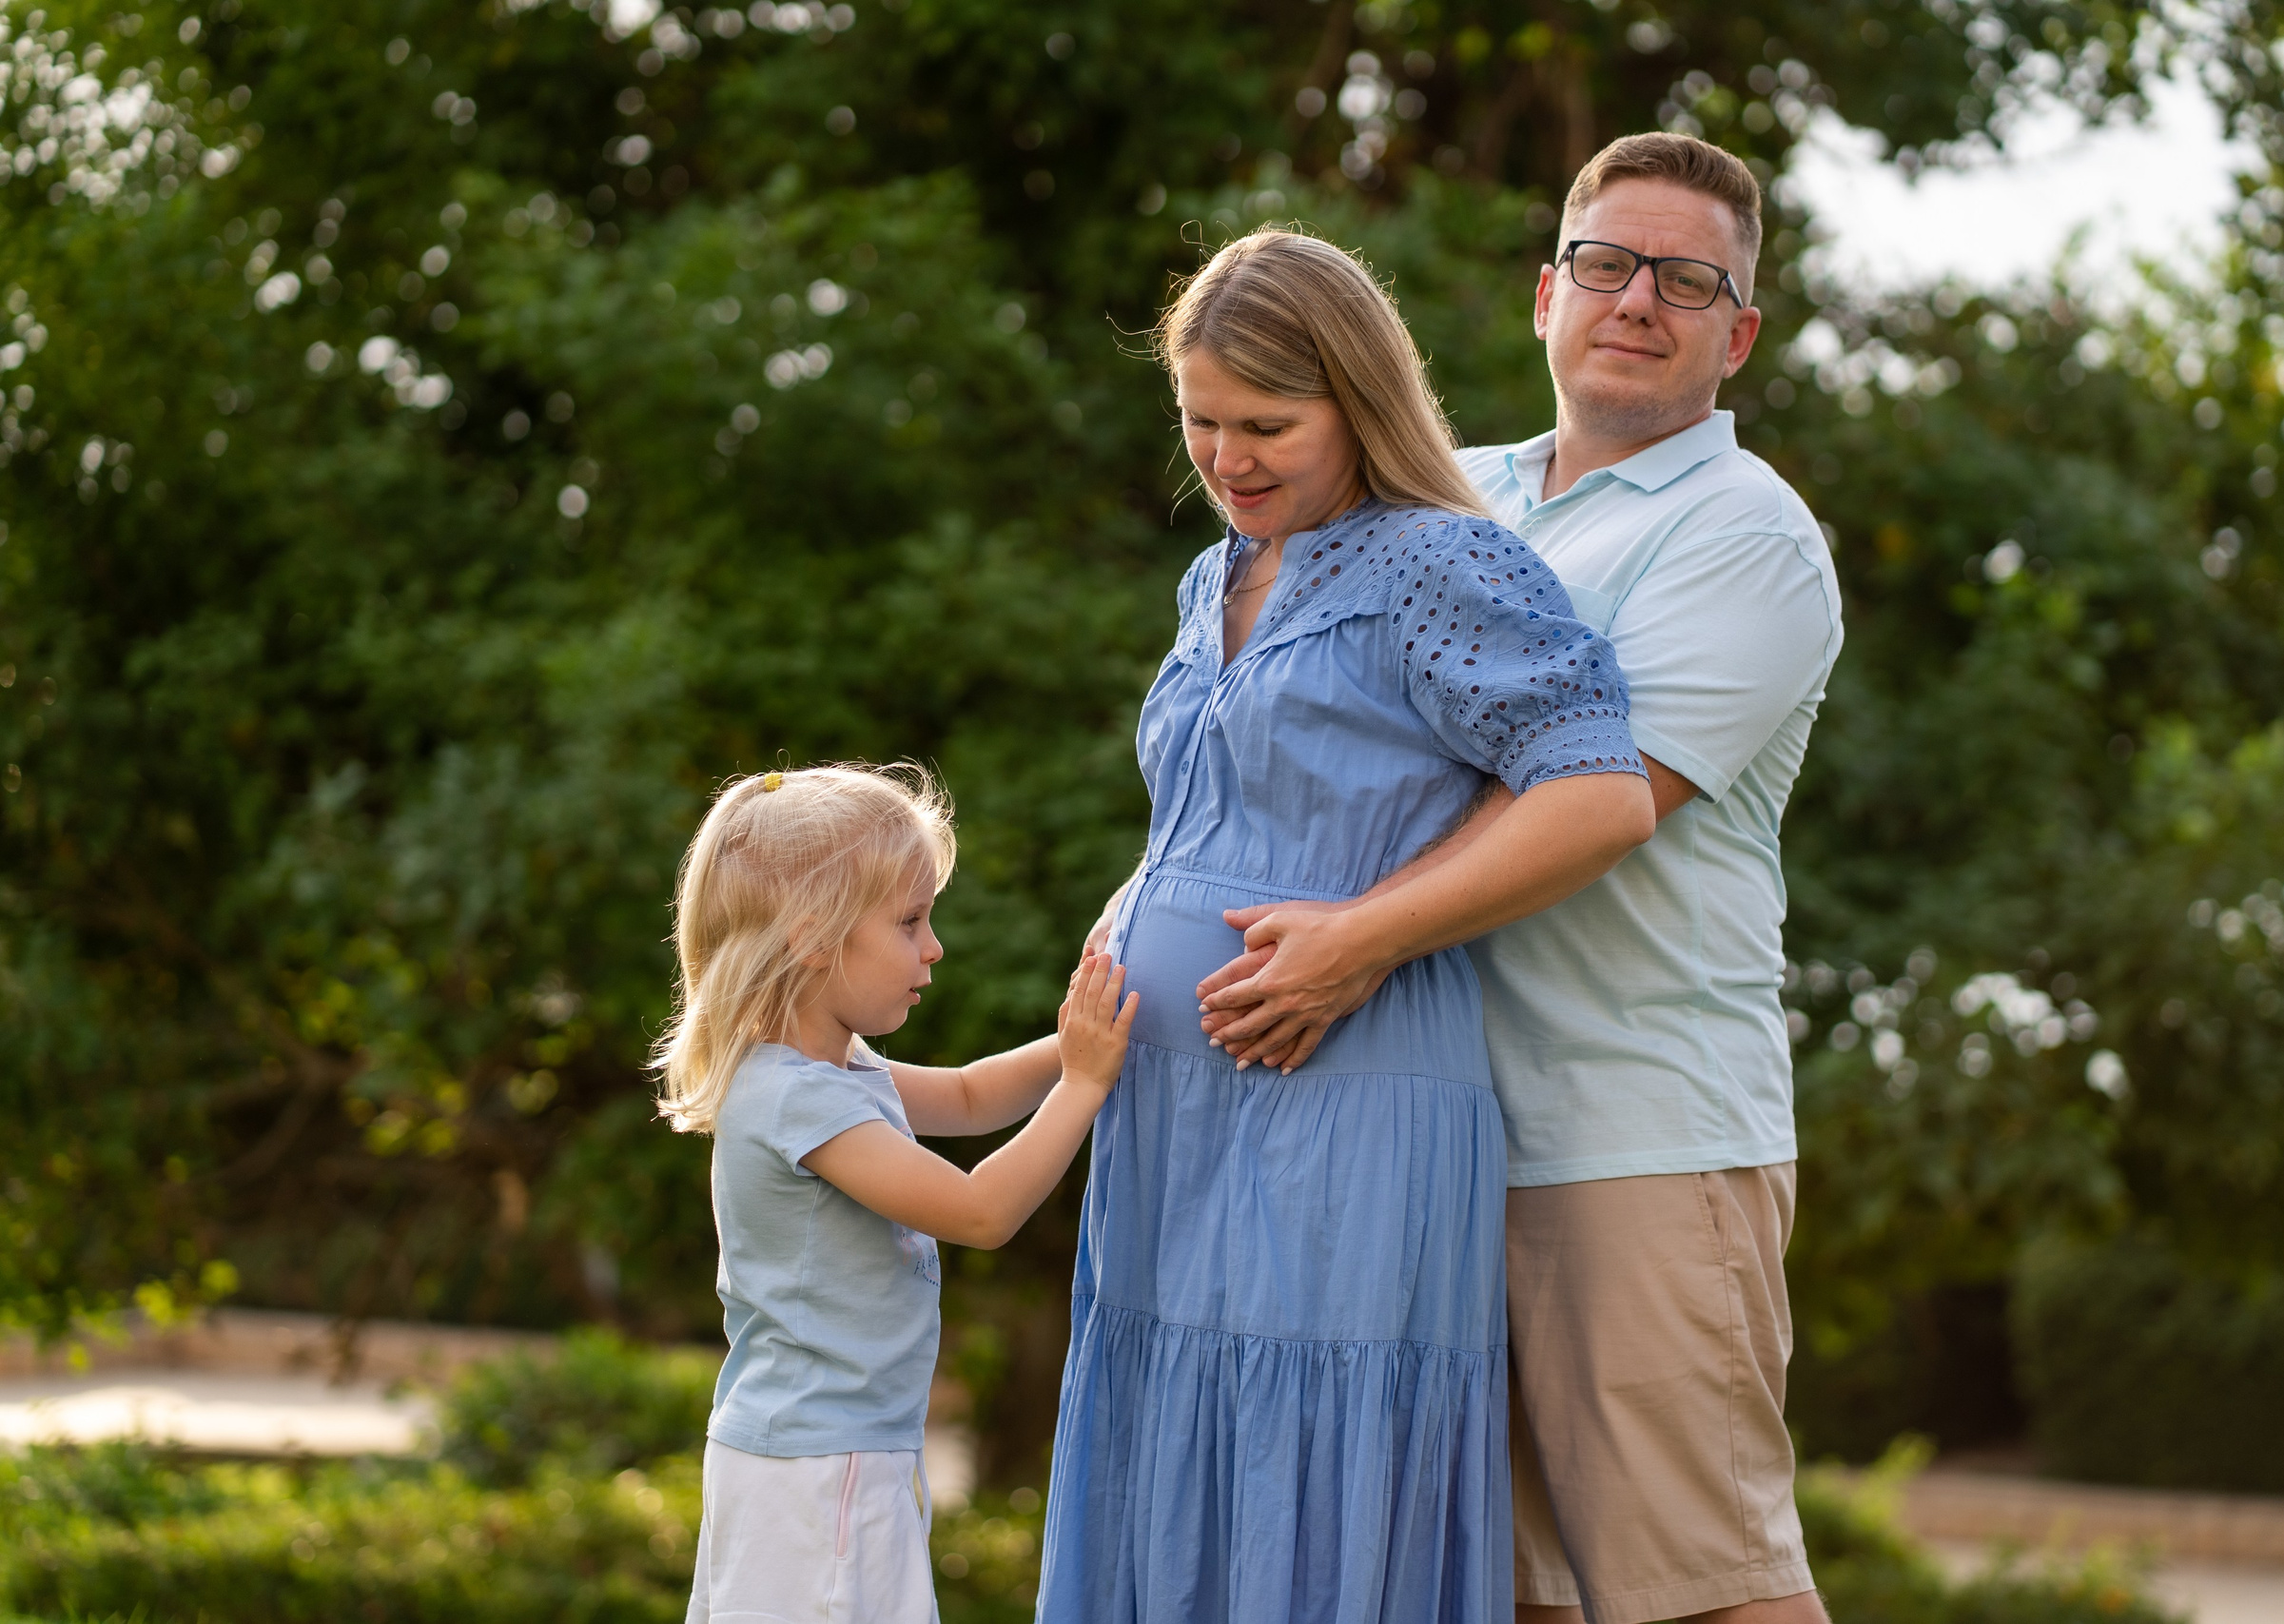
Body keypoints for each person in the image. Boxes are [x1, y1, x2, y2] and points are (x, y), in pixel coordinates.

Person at [1194, 135, 1845, 1624]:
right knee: (1502, 1590)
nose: (1640, 299)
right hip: (1423, 1133)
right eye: (1608, 263)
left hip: (1631, 1128)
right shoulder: (1451, 496)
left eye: (1689, 281)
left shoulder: (1748, 535)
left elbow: (1595, 800)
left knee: (1703, 1587)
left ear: (1739, 335)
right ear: (1548, 294)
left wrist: (1355, 935)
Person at [1038, 230, 1655, 1624]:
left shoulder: (1443, 563)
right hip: (1169, 1116)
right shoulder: (1218, 574)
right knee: (1167, 1449)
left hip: (1339, 1097)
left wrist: (1362, 937)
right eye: (1201, 421)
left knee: (1303, 1463)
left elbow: (1598, 793)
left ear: (1358, 401)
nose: (1228, 458)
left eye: (1267, 426)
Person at [655, 763, 1137, 1624]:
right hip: (818, 1470)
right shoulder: (794, 1097)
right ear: (814, 938)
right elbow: (981, 1211)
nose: (933, 946)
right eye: (910, 920)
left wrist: (1080, 1038)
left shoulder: (835, 1069)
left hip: (838, 1454)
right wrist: (1084, 1085)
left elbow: (971, 1096)